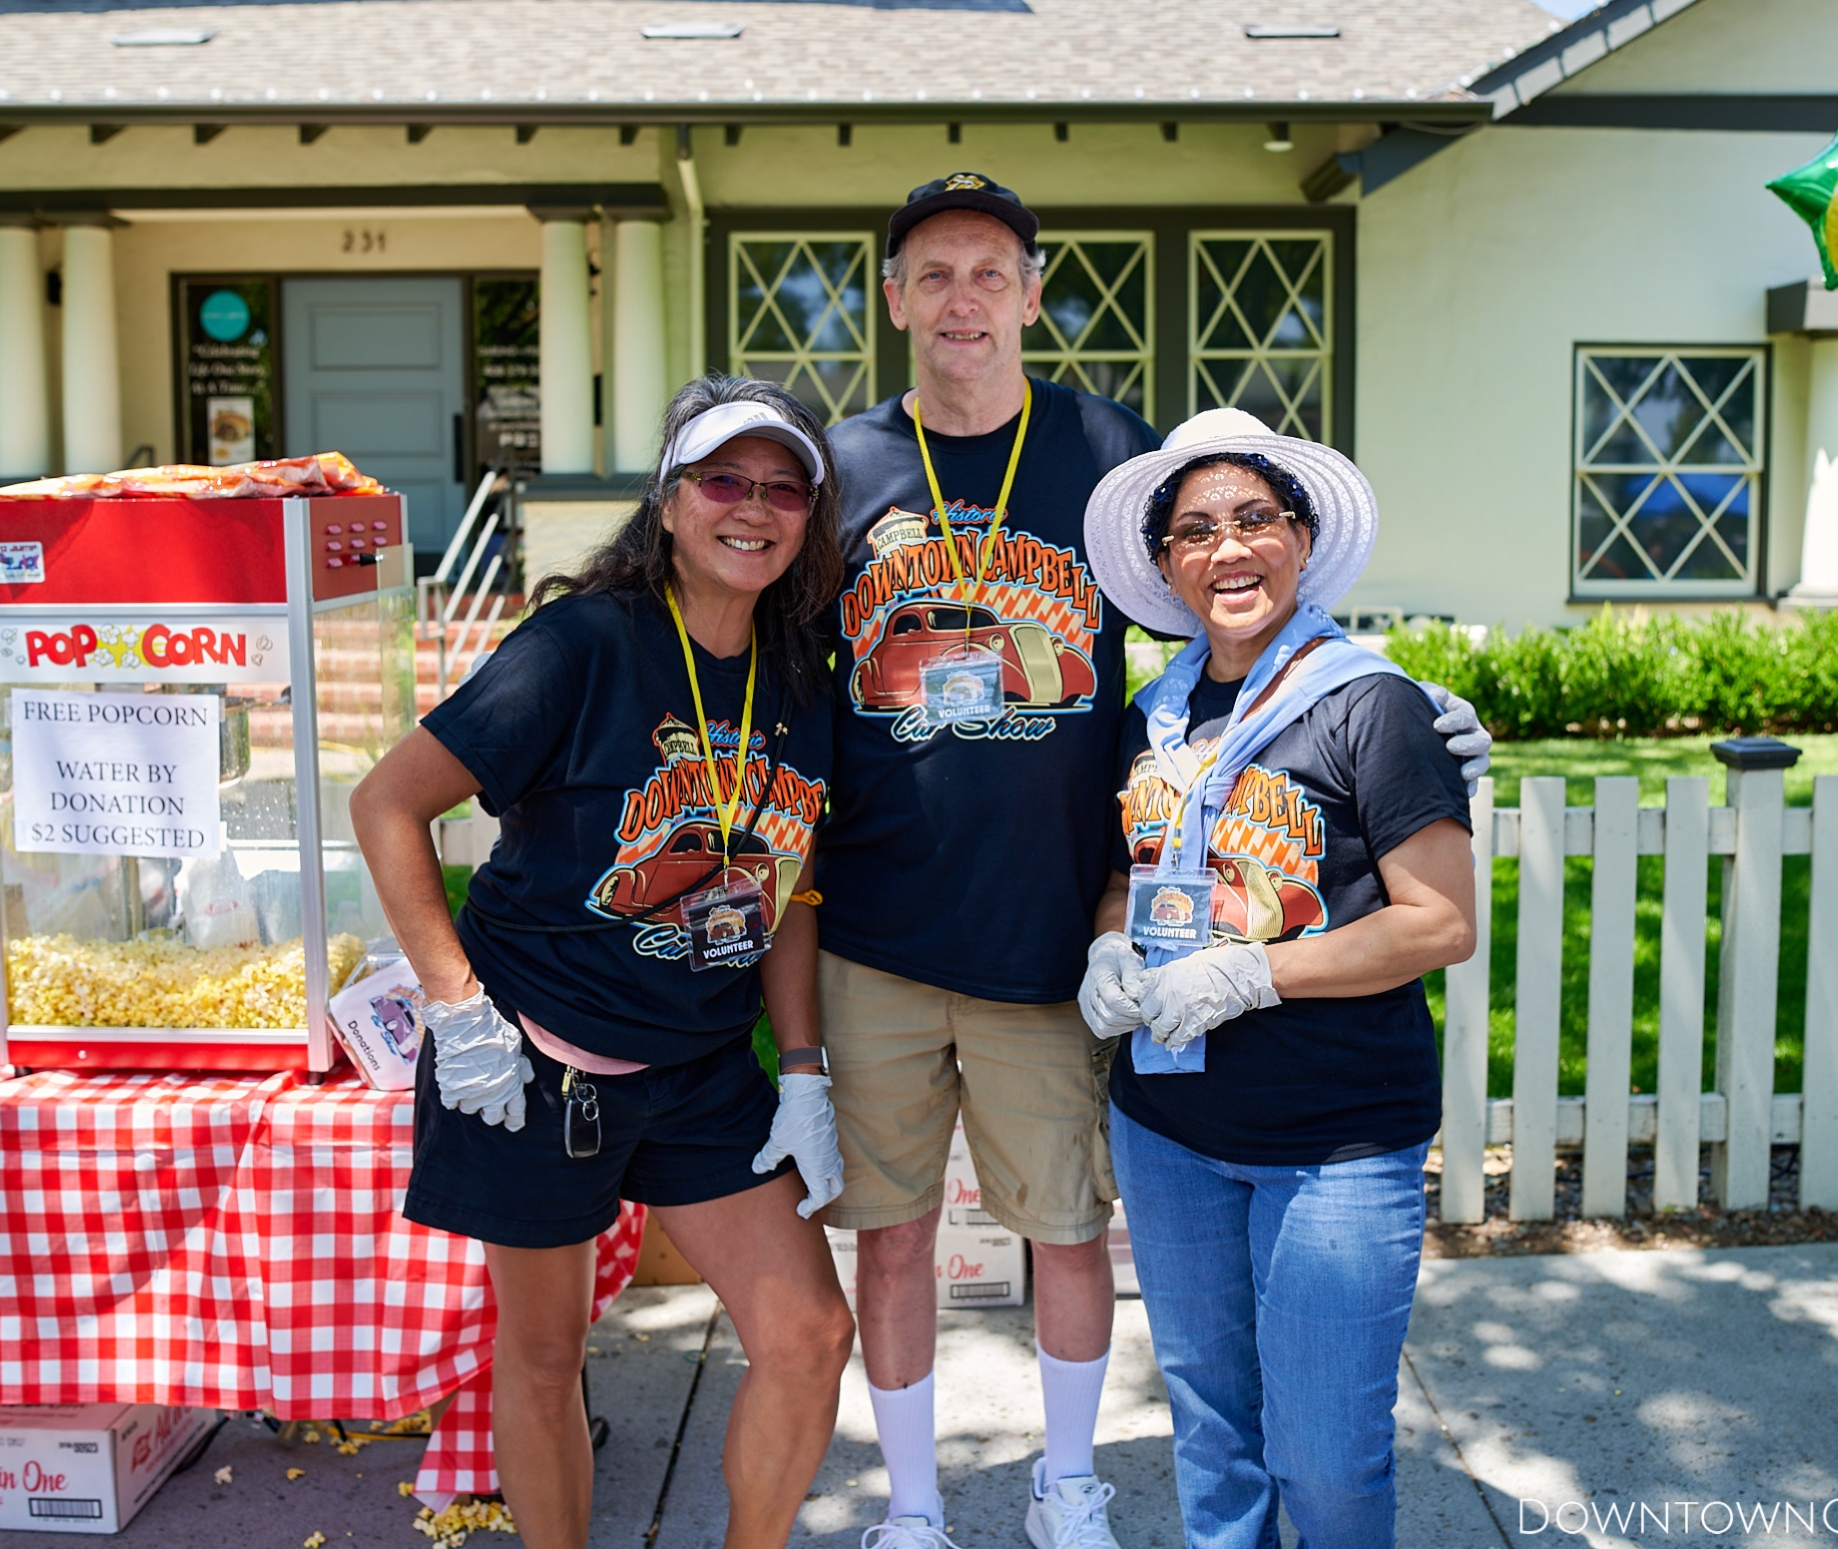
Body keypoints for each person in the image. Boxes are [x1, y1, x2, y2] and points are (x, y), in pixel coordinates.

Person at [814, 172, 1493, 1549]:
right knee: (899, 1240)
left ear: (1031, 295)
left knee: (1070, 1230)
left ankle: (1067, 1488)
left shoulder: (1106, 444)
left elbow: (1251, 592)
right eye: (933, 273)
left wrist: (1403, 711)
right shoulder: (839, 468)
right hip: (883, 925)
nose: (962, 300)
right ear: (892, 300)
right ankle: (917, 1508)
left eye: (990, 272)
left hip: (1047, 931)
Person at [351, 375, 858, 1549]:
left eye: (784, 488)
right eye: (724, 480)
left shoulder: (798, 672)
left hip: (698, 1067)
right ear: (670, 503)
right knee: (544, 1357)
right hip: (536, 1058)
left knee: (810, 1332)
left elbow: (785, 879)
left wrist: (802, 1068)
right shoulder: (581, 645)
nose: (754, 507)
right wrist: (458, 1010)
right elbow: (386, 802)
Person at [1076, 409, 1481, 1549]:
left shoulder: (1372, 703)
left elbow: (1440, 923)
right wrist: (1111, 942)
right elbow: (1126, 872)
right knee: (1212, 1434)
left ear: (1302, 539)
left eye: (1255, 518)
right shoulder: (1153, 717)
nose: (1229, 548)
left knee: (1325, 1459)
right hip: (1167, 1126)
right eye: (1196, 530)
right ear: (1166, 565)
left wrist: (1254, 973)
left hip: (1333, 1143)